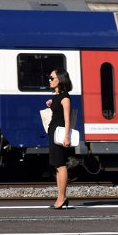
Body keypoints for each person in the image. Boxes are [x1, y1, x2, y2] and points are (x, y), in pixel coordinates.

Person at [46, 69, 74, 209]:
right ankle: (60, 197)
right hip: (54, 132)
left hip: (60, 134)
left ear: (60, 80)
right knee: (57, 165)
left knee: (61, 165)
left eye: (52, 78)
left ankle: (62, 197)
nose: (49, 80)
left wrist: (67, 136)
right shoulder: (57, 96)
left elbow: (67, 119)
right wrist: (52, 103)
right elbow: (57, 109)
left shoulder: (65, 98)